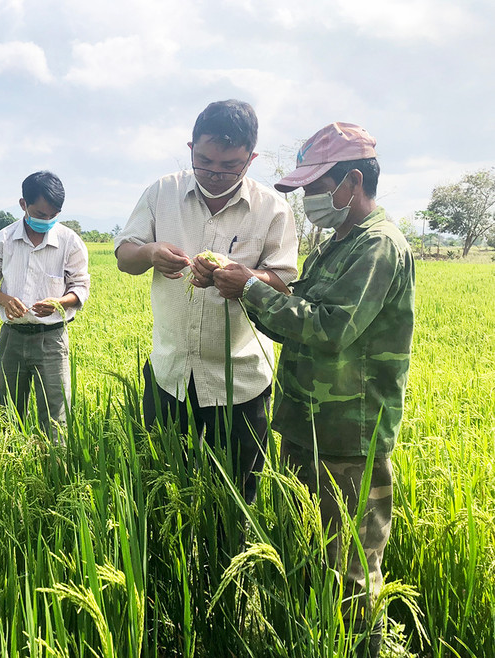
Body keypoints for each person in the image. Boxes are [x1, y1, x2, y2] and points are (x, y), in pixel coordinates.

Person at [211, 122, 415, 657]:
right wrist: (247, 285)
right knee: (312, 553)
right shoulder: (340, 240)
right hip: (310, 426)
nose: (307, 201)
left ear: (351, 181)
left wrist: (252, 288)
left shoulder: (378, 246)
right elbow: (301, 311)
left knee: (348, 571)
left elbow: (330, 329)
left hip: (349, 436)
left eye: (314, 189)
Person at [114, 99, 298, 503]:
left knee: (234, 498)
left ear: (250, 159)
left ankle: (229, 562)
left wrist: (243, 278)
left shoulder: (273, 209)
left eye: (230, 165)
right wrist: (149, 254)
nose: (215, 174)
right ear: (190, 147)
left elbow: (284, 283)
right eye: (205, 161)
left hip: (240, 383)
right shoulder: (162, 192)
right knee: (162, 489)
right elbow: (124, 256)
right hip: (169, 374)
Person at [0, 171, 90, 437]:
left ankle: (53, 472)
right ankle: (12, 466)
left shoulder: (70, 242)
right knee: (8, 415)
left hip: (51, 340)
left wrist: (60, 302)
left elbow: (81, 287)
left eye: (53, 215)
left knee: (56, 419)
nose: (47, 220)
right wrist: (5, 300)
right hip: (12, 338)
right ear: (23, 205)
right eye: (41, 214)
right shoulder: (5, 239)